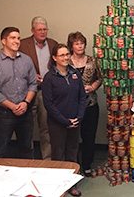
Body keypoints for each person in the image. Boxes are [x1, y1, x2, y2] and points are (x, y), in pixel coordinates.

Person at [0, 27, 37, 158]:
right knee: (0, 151)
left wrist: (25, 103)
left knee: (26, 150)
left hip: (25, 112)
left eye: (18, 38)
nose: (17, 41)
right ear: (3, 41)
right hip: (5, 115)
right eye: (13, 38)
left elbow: (33, 83)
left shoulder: (27, 60)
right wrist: (13, 107)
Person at [42, 43, 86, 196]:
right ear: (54, 58)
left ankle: (72, 185)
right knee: (58, 154)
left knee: (72, 153)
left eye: (67, 54)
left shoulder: (75, 74)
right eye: (62, 55)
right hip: (58, 123)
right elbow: (48, 103)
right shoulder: (49, 78)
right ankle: (59, 186)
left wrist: (79, 117)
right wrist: (64, 121)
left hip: (75, 121)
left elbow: (82, 97)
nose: (66, 57)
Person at [19, 16, 58, 160]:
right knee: (26, 128)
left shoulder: (53, 44)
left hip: (46, 92)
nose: (42, 32)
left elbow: (58, 66)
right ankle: (28, 160)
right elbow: (13, 65)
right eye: (39, 29)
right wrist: (30, 75)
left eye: (44, 29)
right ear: (32, 30)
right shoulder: (23, 45)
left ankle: (47, 159)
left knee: (46, 127)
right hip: (27, 92)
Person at [67, 31, 102, 176]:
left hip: (90, 104)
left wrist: (93, 87)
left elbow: (100, 78)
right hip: (71, 105)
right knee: (72, 138)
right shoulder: (66, 61)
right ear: (71, 46)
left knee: (89, 136)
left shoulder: (93, 61)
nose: (80, 46)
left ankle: (87, 165)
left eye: (82, 43)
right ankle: (73, 165)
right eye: (76, 43)